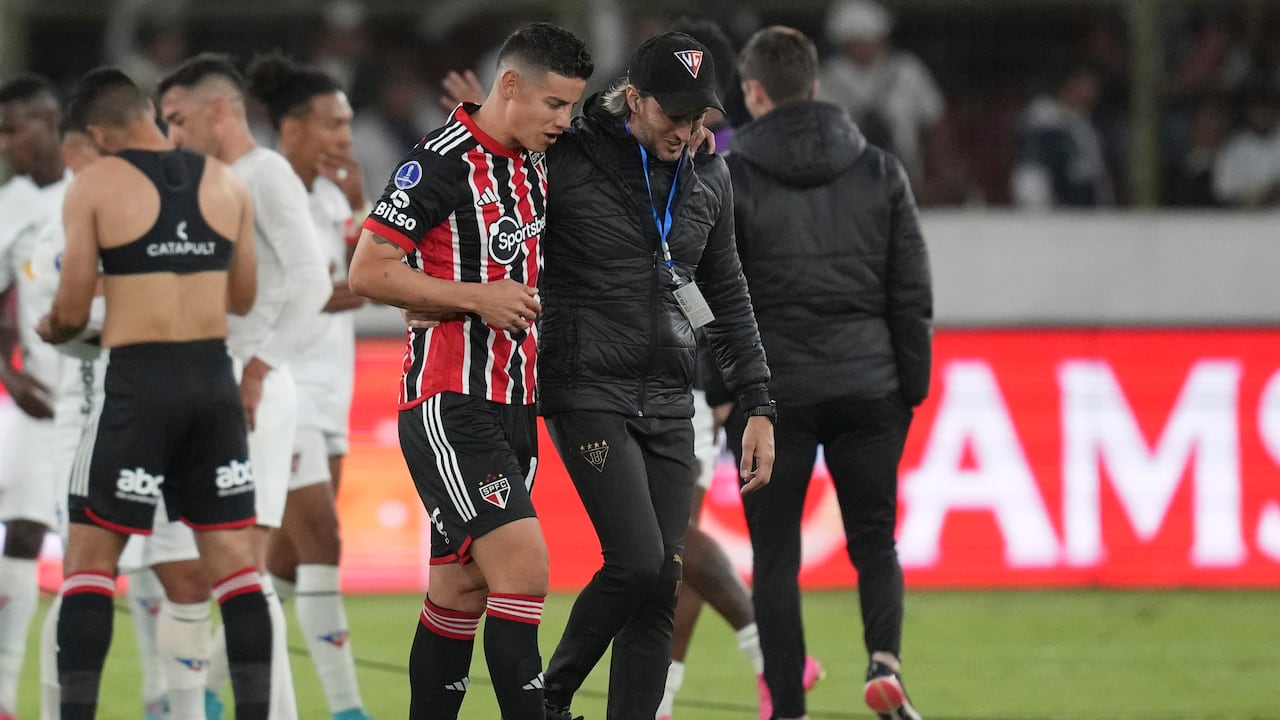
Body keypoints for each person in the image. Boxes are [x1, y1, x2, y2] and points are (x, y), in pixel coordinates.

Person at [346, 22, 594, 720]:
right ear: (509, 86)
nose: (563, 121)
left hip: (515, 401)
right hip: (450, 400)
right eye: (553, 105)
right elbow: (369, 269)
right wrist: (471, 296)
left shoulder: (534, 155)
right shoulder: (438, 161)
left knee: (461, 593)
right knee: (525, 570)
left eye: (571, 107)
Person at [535, 31, 776, 720]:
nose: (687, 128)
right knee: (638, 562)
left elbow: (726, 295)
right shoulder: (569, 157)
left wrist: (759, 402)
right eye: (672, 114)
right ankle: (547, 702)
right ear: (633, 99)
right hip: (586, 390)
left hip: (673, 399)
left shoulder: (710, 174)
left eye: (698, 116)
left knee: (662, 585)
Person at [36, 66, 272, 720]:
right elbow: (244, 297)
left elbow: (72, 304)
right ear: (147, 110)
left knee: (89, 561)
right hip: (212, 380)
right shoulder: (225, 182)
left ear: (95, 132)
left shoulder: (95, 185)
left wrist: (52, 326)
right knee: (233, 563)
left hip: (139, 384)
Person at [727, 26, 932, 720]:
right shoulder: (879, 169)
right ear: (815, 86)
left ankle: (788, 707)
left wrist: (727, 391)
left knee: (776, 555)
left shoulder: (735, 176)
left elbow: (715, 292)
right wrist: (911, 386)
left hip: (771, 398)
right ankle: (885, 663)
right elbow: (911, 292)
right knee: (875, 539)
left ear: (754, 92)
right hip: (869, 387)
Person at [158, 53, 333, 719]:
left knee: (241, 568)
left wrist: (259, 367)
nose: (171, 134)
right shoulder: (213, 180)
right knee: (204, 569)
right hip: (210, 383)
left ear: (218, 110)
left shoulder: (265, 175)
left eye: (177, 120)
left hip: (250, 385)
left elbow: (313, 280)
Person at [246, 51, 374, 720]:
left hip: (332, 386)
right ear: (293, 127)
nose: (345, 137)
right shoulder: (262, 190)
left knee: (289, 561)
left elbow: (370, 262)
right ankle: (348, 707)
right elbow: (305, 292)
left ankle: (209, 680)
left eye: (349, 122)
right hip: (281, 380)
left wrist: (356, 203)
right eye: (333, 123)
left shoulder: (329, 193)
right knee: (322, 538)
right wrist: (373, 287)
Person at [0, 74, 72, 720]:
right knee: (20, 535)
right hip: (34, 397)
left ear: (49, 122)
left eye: (12, 129)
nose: (4, 144)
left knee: (93, 555)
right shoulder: (8, 204)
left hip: (99, 398)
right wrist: (11, 372)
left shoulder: (97, 189)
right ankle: (3, 696)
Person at [817, 0, 951, 201]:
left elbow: (934, 121)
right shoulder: (827, 78)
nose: (864, 48)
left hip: (904, 178)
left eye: (869, 39)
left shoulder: (907, 71)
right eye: (856, 42)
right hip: (845, 185)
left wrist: (937, 176)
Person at [1010, 62, 1114, 208]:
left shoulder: (1087, 121)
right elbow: (1038, 161)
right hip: (1047, 192)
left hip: (1082, 196)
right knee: (1032, 178)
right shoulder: (1043, 114)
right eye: (1085, 84)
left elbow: (1093, 170)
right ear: (1069, 84)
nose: (1092, 90)